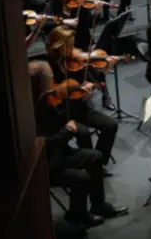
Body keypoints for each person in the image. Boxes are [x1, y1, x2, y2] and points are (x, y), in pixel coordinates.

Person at [31, 61, 127, 226]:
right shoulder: (32, 108)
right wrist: (67, 130)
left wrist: (73, 103)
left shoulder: (44, 101)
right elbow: (44, 142)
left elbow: (58, 122)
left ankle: (99, 205)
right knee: (81, 177)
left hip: (59, 152)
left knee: (95, 157)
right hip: (47, 164)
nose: (53, 81)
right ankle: (77, 216)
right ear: (42, 83)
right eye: (50, 78)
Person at [43, 25, 120, 163]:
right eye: (69, 45)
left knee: (111, 125)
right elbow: (48, 97)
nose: (73, 49)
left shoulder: (77, 61)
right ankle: (89, 161)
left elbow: (94, 78)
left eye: (73, 44)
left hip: (80, 107)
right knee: (83, 132)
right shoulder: (48, 65)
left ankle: (99, 160)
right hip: (60, 113)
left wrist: (104, 70)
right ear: (58, 46)